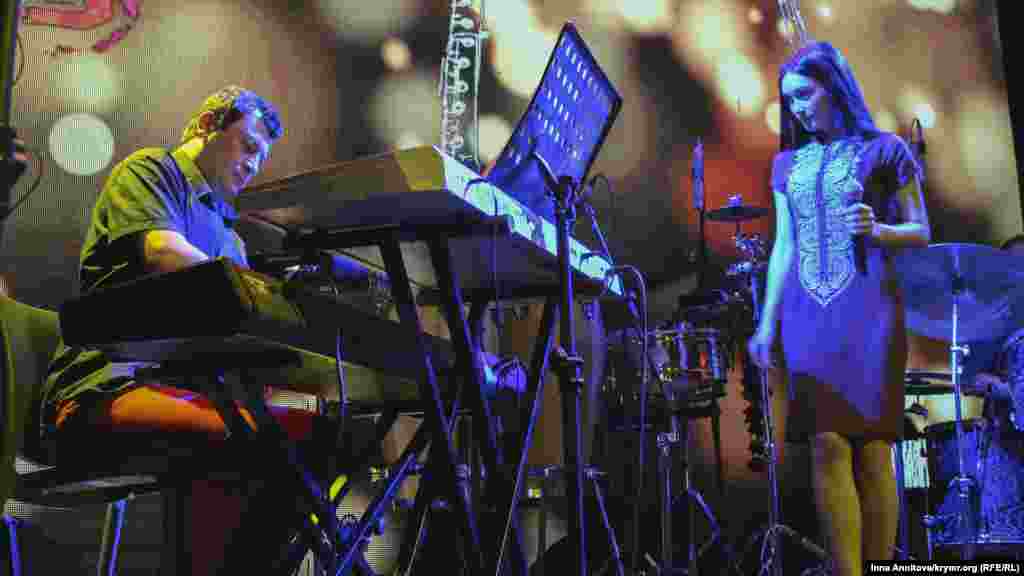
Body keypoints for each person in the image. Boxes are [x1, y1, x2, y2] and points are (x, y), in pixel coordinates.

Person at [42, 86, 331, 574]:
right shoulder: (153, 171)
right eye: (249, 146)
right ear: (206, 127)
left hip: (194, 392)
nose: (254, 164)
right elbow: (164, 252)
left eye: (262, 157)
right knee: (262, 439)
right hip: (108, 391)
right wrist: (256, 292)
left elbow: (247, 316)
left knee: (317, 418)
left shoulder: (230, 234)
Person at [747, 42, 931, 575]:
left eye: (805, 95)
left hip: (871, 311)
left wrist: (881, 229)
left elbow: (921, 231)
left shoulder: (887, 149)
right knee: (825, 443)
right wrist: (766, 325)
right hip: (806, 315)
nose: (797, 109)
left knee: (873, 448)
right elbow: (784, 245)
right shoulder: (785, 164)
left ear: (834, 86)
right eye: (789, 100)